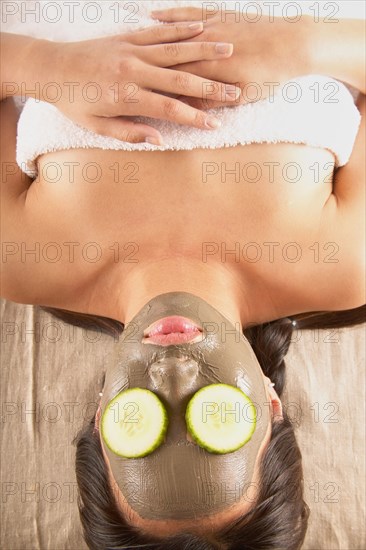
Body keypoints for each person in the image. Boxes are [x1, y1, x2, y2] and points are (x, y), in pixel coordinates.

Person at [0, 3, 365, 549]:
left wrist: (44, 66)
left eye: (138, 422)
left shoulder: (22, 259)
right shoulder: (346, 265)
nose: (172, 375)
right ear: (269, 405)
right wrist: (302, 43)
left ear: (101, 416)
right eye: (217, 415)